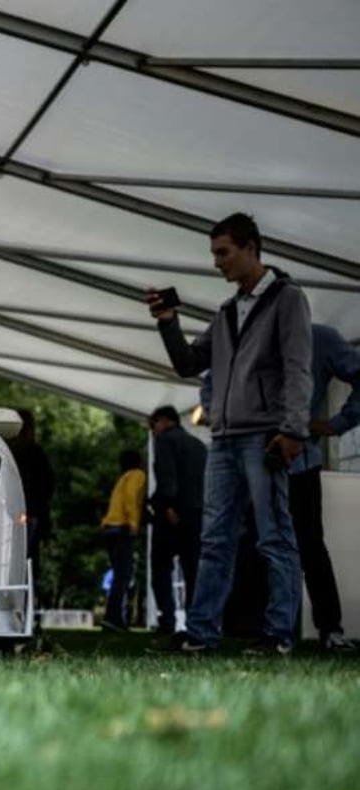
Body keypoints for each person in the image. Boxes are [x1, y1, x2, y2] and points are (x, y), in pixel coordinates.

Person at [146, 212, 312, 655]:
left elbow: (298, 369)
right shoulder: (227, 312)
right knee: (215, 539)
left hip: (264, 437)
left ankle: (279, 635)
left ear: (251, 249)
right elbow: (187, 363)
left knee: (274, 536)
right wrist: (167, 321)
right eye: (214, 254)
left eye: (224, 252)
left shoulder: (287, 298)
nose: (217, 262)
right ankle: (202, 634)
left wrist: (293, 431)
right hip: (223, 439)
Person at [288, 324, 360, 650]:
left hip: (298, 459)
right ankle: (265, 627)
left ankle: (330, 628)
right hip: (249, 460)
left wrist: (335, 425)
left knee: (309, 545)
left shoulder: (318, 336)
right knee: (255, 544)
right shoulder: (245, 333)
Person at [148, 405, 207, 635]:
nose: (154, 431)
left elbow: (167, 477)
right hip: (197, 512)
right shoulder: (198, 445)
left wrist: (167, 505)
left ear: (162, 421)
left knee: (161, 568)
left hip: (172, 513)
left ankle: (167, 620)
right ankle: (195, 620)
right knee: (192, 570)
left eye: (154, 425)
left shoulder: (165, 440)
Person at [7, 409, 54, 590]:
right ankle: (24, 601)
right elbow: (46, 486)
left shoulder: (3, 450)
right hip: (29, 511)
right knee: (27, 559)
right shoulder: (34, 452)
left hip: (4, 512)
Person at [101, 449, 146, 631]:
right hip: (122, 528)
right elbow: (131, 498)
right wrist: (134, 523)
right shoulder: (137, 475)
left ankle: (112, 617)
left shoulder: (123, 478)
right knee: (123, 575)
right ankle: (113, 617)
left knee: (119, 574)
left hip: (109, 528)